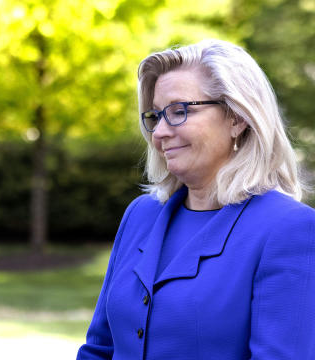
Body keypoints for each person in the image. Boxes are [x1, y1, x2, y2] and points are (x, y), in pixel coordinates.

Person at [77, 39, 315, 359]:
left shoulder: (289, 229)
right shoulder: (140, 215)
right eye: (156, 115)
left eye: (179, 111)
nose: (159, 132)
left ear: (237, 118)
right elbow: (100, 349)